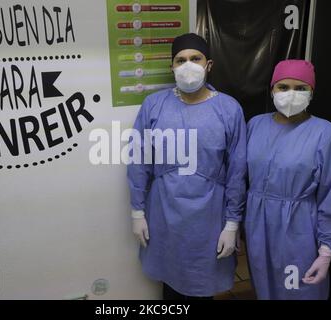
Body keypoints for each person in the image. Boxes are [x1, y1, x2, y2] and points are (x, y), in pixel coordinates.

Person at [127, 33, 247, 299]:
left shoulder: (229, 109)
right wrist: (137, 211)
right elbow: (139, 160)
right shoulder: (154, 105)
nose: (188, 65)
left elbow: (237, 171)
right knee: (169, 280)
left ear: (209, 65)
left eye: (195, 58)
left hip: (209, 214)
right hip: (164, 209)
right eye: (180, 60)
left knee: (202, 280)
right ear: (172, 66)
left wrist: (232, 223)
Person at [245, 59, 331, 300]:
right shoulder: (255, 125)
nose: (291, 94)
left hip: (297, 229)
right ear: (272, 89)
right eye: (283, 87)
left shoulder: (325, 133)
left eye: (300, 88)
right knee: (265, 288)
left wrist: (327, 250)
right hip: (257, 226)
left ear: (311, 92)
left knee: (298, 291)